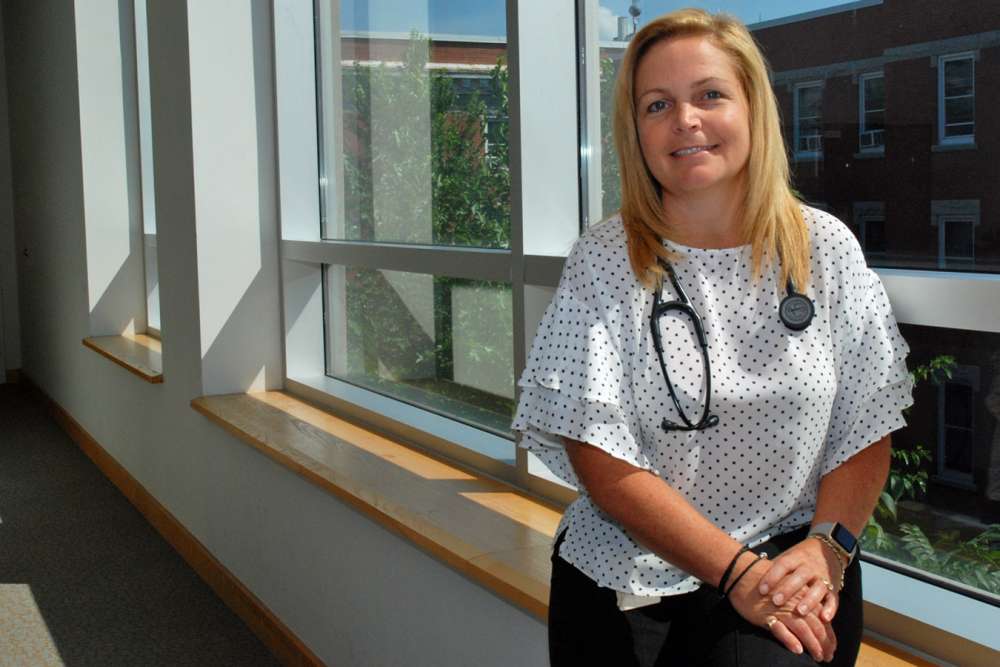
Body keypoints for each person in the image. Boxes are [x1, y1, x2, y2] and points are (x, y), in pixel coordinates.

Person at [511, 8, 913, 666]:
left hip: (796, 560)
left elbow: (866, 424)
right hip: (627, 568)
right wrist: (735, 573)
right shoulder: (605, 260)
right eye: (657, 104)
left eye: (710, 95)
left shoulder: (826, 250)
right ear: (635, 130)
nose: (685, 120)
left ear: (753, 107)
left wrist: (830, 546)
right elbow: (602, 460)